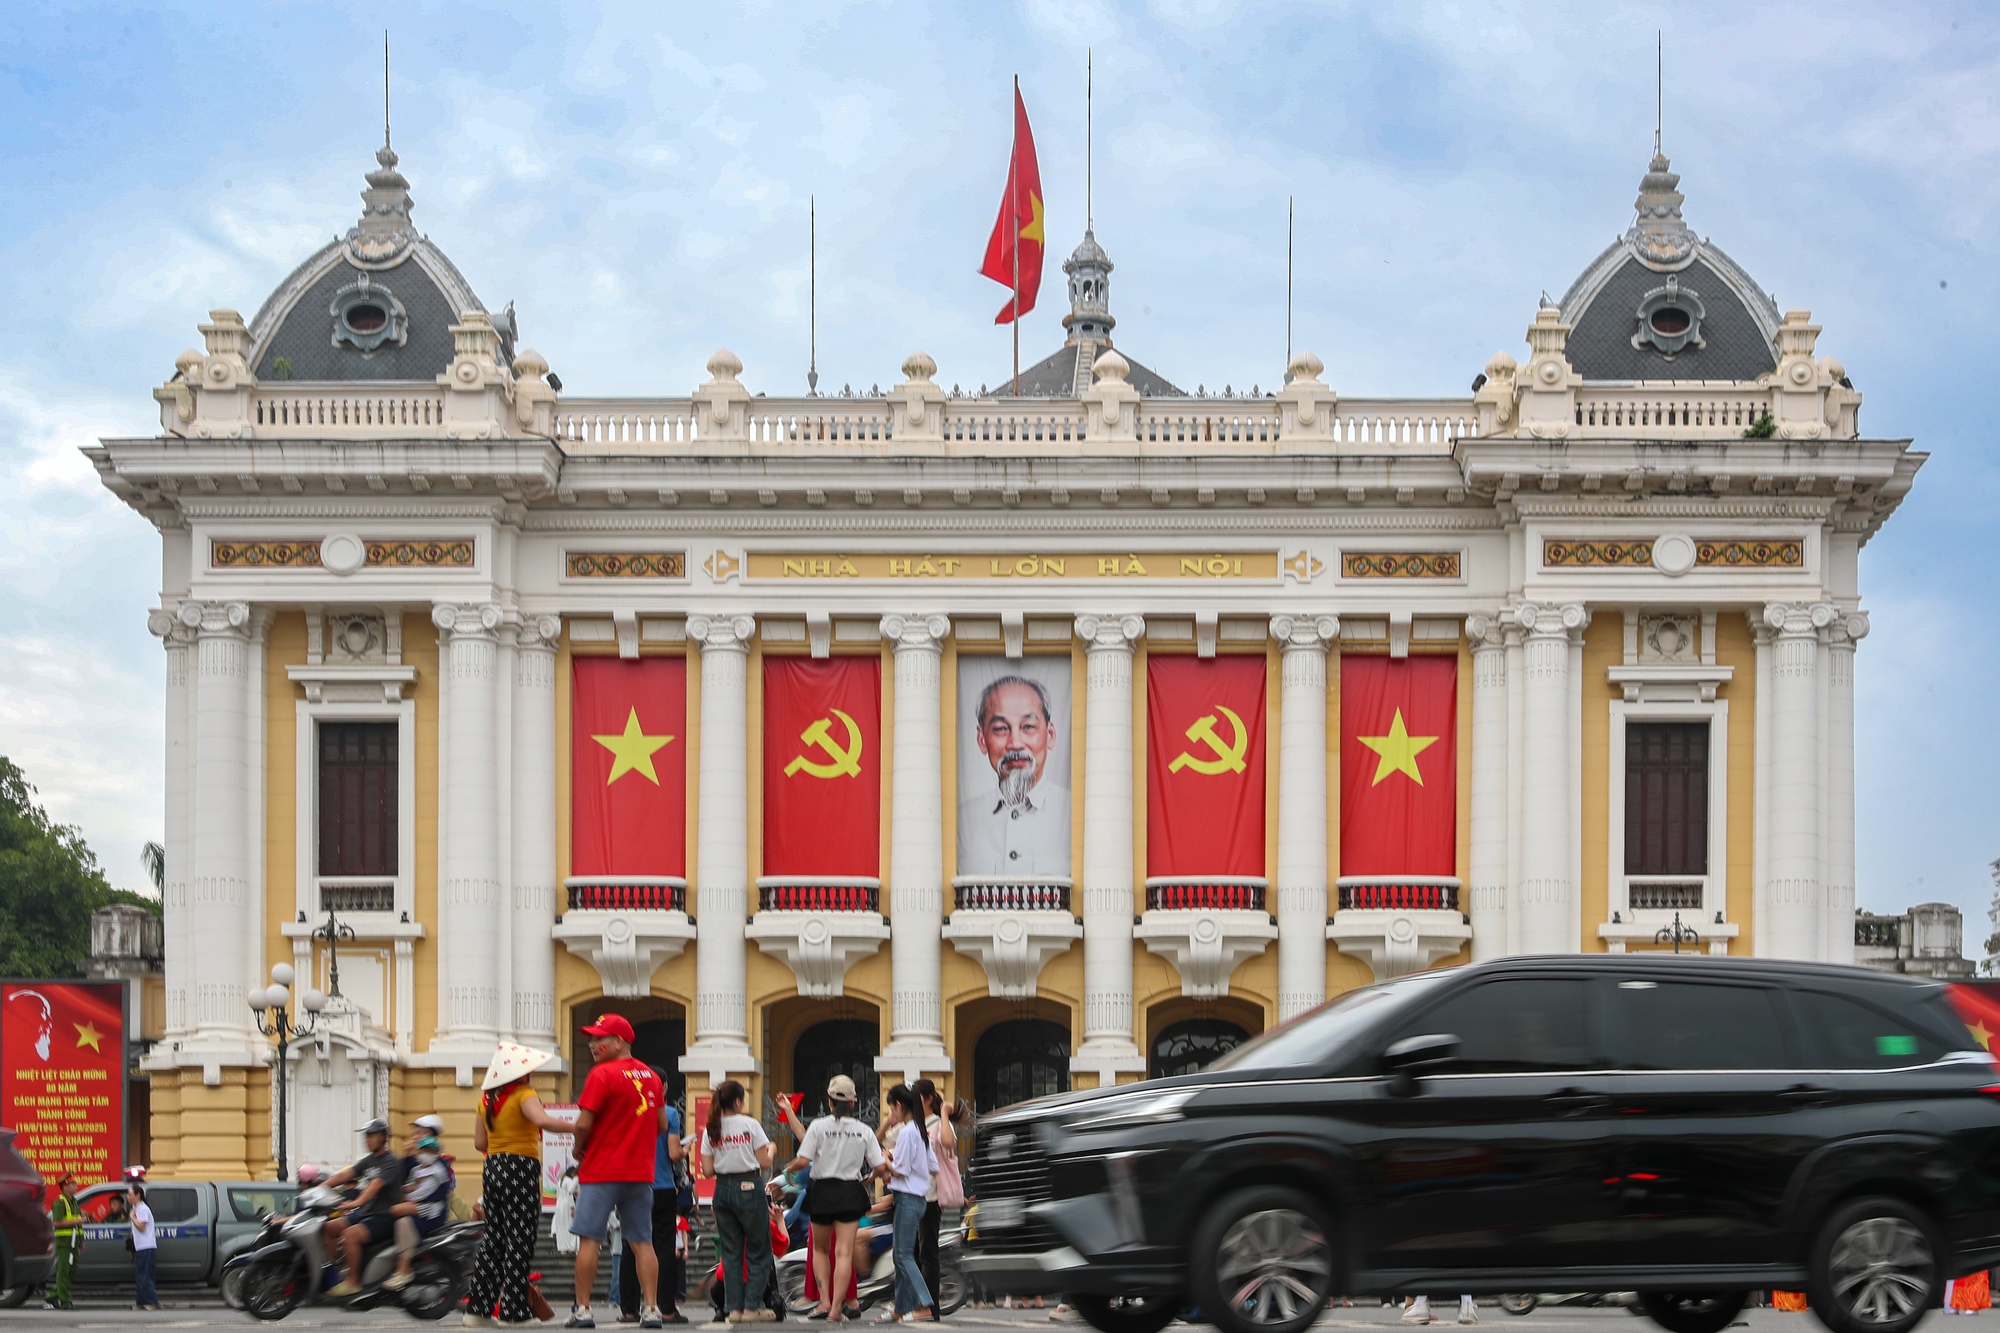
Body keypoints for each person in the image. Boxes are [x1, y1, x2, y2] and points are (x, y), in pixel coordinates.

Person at [568, 1013, 671, 1330]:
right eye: (592, 1038)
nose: (593, 1044)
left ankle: (583, 1310)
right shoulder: (652, 1077)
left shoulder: (601, 1075)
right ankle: (651, 1309)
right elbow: (662, 1126)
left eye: (600, 1039)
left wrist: (578, 1148)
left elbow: (584, 1122)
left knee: (590, 1240)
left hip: (601, 1171)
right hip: (639, 1173)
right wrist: (635, 1142)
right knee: (643, 1242)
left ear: (619, 1042)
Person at [466, 1042, 564, 1326]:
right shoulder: (524, 1094)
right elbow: (542, 1120)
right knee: (519, 1239)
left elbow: (479, 1143)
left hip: (493, 1168)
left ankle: (477, 1311)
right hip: (520, 1167)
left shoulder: (485, 1100)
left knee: (494, 1239)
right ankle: (513, 1312)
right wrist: (577, 1126)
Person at [784, 1075, 884, 1324]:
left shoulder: (818, 1126)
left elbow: (803, 1160)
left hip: (822, 1193)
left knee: (819, 1249)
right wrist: (869, 1179)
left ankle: (824, 1301)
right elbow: (880, 1166)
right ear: (853, 1104)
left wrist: (788, 1170)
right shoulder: (864, 1130)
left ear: (829, 1102)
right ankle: (836, 1309)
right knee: (844, 1253)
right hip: (850, 1192)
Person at [956, 675, 1069, 875]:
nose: (1015, 743)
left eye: (1028, 727)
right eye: (1000, 729)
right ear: (982, 739)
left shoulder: (1072, 813)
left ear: (1050, 735)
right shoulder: (961, 821)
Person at [702, 1079, 776, 1324]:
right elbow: (765, 1163)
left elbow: (707, 1169)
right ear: (737, 1101)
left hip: (722, 1190)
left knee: (731, 1253)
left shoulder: (711, 1127)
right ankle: (751, 1307)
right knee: (759, 1250)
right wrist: (772, 1149)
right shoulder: (750, 1125)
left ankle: (733, 1310)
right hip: (748, 1187)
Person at [618, 1069, 688, 1325]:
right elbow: (672, 1153)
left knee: (630, 1247)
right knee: (664, 1247)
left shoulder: (628, 1113)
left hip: (631, 1185)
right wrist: (684, 1151)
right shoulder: (669, 1114)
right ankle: (666, 1308)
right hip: (662, 1188)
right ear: (665, 1088)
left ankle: (628, 1309)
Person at [327, 1118, 405, 1298]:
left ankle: (353, 1281)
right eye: (366, 1136)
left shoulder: (390, 1161)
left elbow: (375, 1185)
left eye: (371, 1136)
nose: (367, 1140)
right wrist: (321, 1186)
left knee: (350, 1234)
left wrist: (356, 1202)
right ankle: (342, 1270)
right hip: (367, 1213)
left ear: (383, 1137)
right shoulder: (369, 1160)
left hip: (384, 1216)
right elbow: (347, 1174)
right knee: (329, 1227)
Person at [884, 1085, 936, 1324]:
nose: (890, 1116)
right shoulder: (920, 1130)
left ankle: (924, 1304)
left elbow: (902, 1170)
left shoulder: (907, 1132)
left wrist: (886, 1159)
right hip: (919, 1199)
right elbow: (932, 1167)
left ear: (899, 1105)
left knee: (904, 1255)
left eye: (891, 1109)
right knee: (901, 1255)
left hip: (907, 1198)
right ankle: (900, 1308)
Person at [910, 1082, 956, 1320]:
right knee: (913, 1253)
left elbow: (949, 1145)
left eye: (917, 1097)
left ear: (928, 1099)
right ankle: (919, 1304)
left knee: (928, 1253)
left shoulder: (938, 1124)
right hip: (912, 1195)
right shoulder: (913, 1125)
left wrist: (945, 1114)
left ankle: (930, 1307)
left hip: (931, 1196)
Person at [46, 1173, 79, 1310]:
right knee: (63, 1273)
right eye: (73, 1184)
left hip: (73, 1243)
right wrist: (78, 1220)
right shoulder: (60, 1203)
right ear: (65, 1187)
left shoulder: (74, 1201)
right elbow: (57, 1223)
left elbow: (77, 1224)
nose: (76, 1186)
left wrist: (81, 1242)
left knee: (71, 1271)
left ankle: (52, 1296)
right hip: (64, 1243)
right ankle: (65, 1301)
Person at [128, 1182, 159, 1310]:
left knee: (145, 1275)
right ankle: (140, 1302)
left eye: (130, 1194)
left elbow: (141, 1227)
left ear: (138, 1195)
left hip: (146, 1246)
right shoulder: (137, 1209)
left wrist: (132, 1217)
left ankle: (151, 1302)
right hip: (140, 1246)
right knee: (140, 1275)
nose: (127, 1197)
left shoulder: (143, 1209)